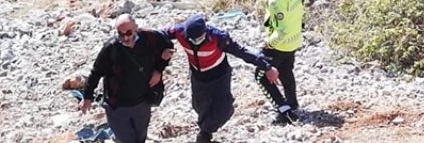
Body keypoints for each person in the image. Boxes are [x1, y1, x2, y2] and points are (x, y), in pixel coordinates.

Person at [165, 14, 283, 143]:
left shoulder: (218, 38)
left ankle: (205, 132)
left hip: (219, 76)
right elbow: (160, 35)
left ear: (205, 32)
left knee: (224, 110)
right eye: (191, 39)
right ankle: (205, 133)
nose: (195, 41)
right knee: (200, 106)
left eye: (198, 38)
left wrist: (266, 67)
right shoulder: (179, 32)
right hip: (198, 77)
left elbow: (242, 51)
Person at [80, 14, 174, 143]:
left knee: (140, 138)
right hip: (117, 106)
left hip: (142, 102)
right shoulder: (111, 48)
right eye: (120, 34)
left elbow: (168, 49)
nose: (125, 38)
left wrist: (159, 69)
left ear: (135, 27)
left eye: (128, 33)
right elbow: (96, 72)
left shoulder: (149, 38)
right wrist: (87, 97)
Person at [253, 0, 304, 124]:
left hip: (280, 44)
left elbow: (281, 29)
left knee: (260, 76)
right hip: (294, 41)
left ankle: (284, 110)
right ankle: (292, 103)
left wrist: (268, 44)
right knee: (286, 72)